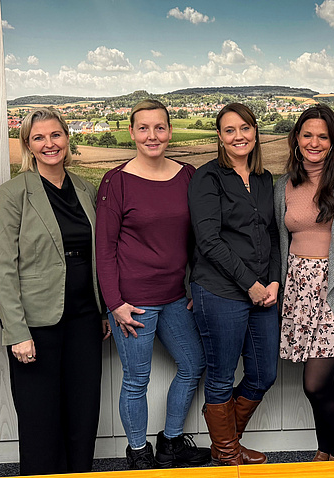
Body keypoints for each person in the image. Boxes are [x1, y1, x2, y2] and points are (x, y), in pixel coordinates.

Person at [0, 107, 109, 475]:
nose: (49, 144)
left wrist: (103, 310)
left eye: (55, 135)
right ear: (28, 144)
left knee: (82, 411)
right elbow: (3, 266)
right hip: (35, 323)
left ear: (67, 137)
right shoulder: (13, 193)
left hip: (85, 318)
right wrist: (16, 331)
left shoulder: (85, 188)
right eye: (38, 138)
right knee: (39, 418)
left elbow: (98, 254)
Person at [95, 99, 209, 470]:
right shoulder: (117, 181)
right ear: (131, 132)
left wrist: (197, 287)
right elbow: (105, 250)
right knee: (136, 380)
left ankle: (171, 442)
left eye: (159, 127)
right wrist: (114, 304)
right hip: (133, 303)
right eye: (143, 128)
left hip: (176, 297)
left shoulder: (188, 175)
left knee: (194, 364)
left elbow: (198, 239)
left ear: (170, 131)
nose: (152, 136)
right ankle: (138, 452)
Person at [274, 105, 334, 461]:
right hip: (298, 289)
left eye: (323, 136)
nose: (314, 142)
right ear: (297, 139)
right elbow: (280, 242)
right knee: (319, 385)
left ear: (333, 142)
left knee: (316, 383)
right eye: (307, 135)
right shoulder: (285, 184)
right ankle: (326, 451)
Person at [188, 103, 280, 466]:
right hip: (219, 291)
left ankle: (225, 444)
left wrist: (272, 281)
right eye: (230, 130)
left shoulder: (263, 178)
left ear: (255, 132)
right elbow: (208, 241)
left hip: (262, 291)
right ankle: (228, 455)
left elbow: (271, 232)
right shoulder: (207, 178)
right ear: (220, 137)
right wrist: (250, 285)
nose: (238, 136)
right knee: (222, 375)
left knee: (263, 373)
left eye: (244, 128)